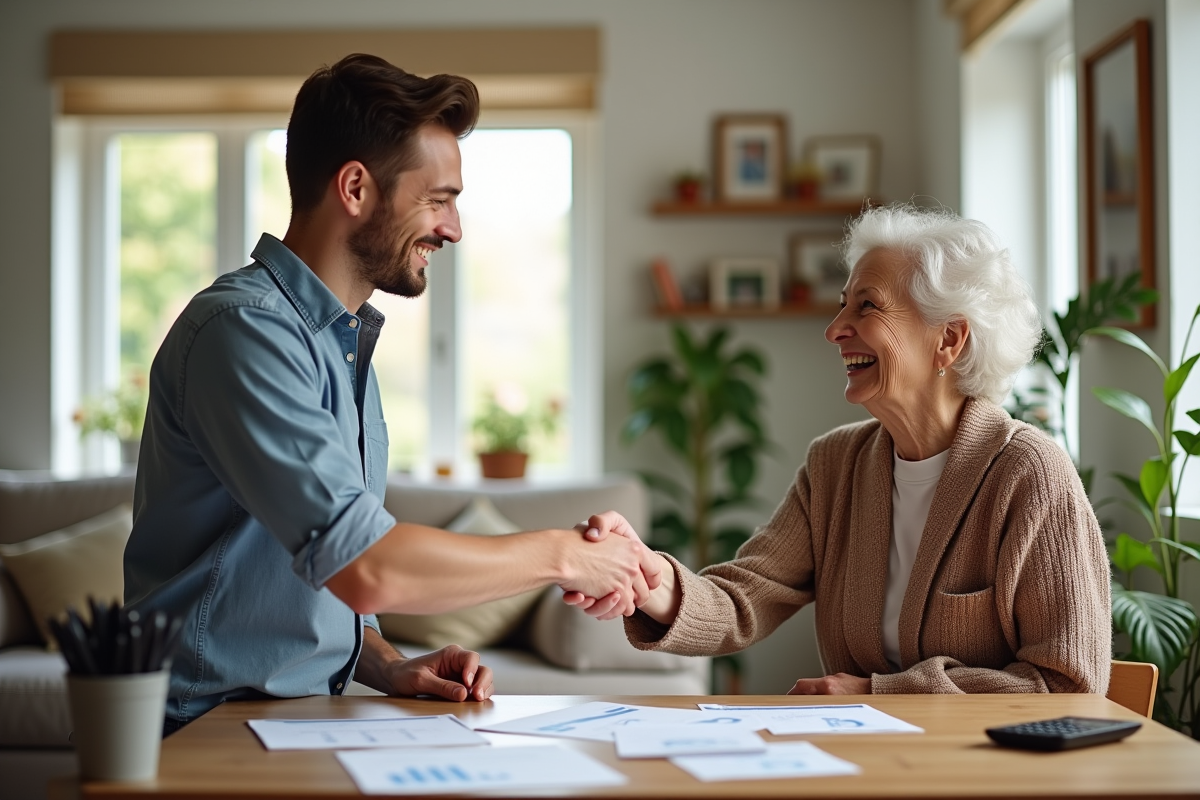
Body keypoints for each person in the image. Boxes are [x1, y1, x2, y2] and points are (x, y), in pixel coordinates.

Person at [123, 54, 658, 733]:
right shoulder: (246, 333)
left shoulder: (340, 344)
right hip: (201, 725)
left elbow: (310, 576)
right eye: (438, 199)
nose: (453, 229)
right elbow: (364, 565)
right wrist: (566, 554)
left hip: (297, 721)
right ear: (354, 187)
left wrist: (382, 661)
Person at [568, 204, 1111, 695]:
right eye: (842, 305)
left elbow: (1067, 683)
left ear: (949, 339)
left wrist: (878, 695)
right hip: (866, 763)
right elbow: (745, 596)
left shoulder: (1028, 473)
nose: (834, 330)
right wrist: (650, 580)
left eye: (867, 307)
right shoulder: (835, 465)